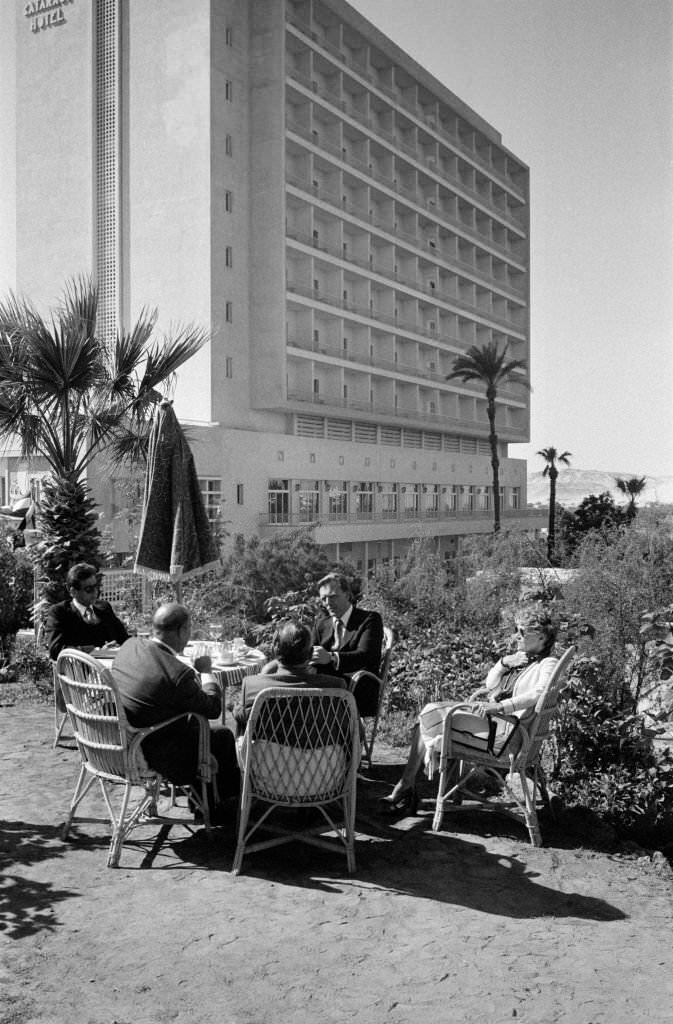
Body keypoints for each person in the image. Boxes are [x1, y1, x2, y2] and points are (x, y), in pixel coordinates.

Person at [381, 614, 559, 814]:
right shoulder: (522, 660)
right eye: (516, 630)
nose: (516, 636)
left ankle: (405, 787)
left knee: (430, 717)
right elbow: (490, 684)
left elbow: (539, 693)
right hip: (498, 725)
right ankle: (406, 786)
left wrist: (501, 707)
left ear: (542, 637)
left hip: (509, 735)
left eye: (522, 632)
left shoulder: (548, 663)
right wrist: (504, 663)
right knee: (428, 720)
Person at [112, 602, 239, 821]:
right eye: (189, 629)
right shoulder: (178, 675)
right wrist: (206, 672)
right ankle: (224, 808)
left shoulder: (130, 646)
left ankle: (205, 802)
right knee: (222, 736)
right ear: (182, 631)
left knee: (195, 727)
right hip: (159, 755)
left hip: (118, 741)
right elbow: (212, 708)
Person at [233, 620, 345, 735]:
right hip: (325, 752)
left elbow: (242, 716)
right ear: (311, 653)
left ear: (273, 650)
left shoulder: (253, 686)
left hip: (270, 752)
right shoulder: (337, 687)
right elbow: (355, 732)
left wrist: (236, 706)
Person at [309, 572, 384, 717]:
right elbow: (309, 652)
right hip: (325, 686)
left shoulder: (369, 620)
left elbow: (366, 656)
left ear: (347, 595)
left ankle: (339, 736)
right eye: (324, 599)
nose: (328, 603)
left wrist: (331, 658)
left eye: (332, 597)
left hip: (358, 686)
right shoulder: (322, 624)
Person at [45, 562, 130, 661]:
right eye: (89, 589)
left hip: (113, 670)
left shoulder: (104, 607)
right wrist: (96, 652)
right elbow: (56, 650)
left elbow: (124, 639)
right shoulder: (60, 612)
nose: (95, 592)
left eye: (96, 587)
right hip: (81, 673)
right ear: (73, 591)